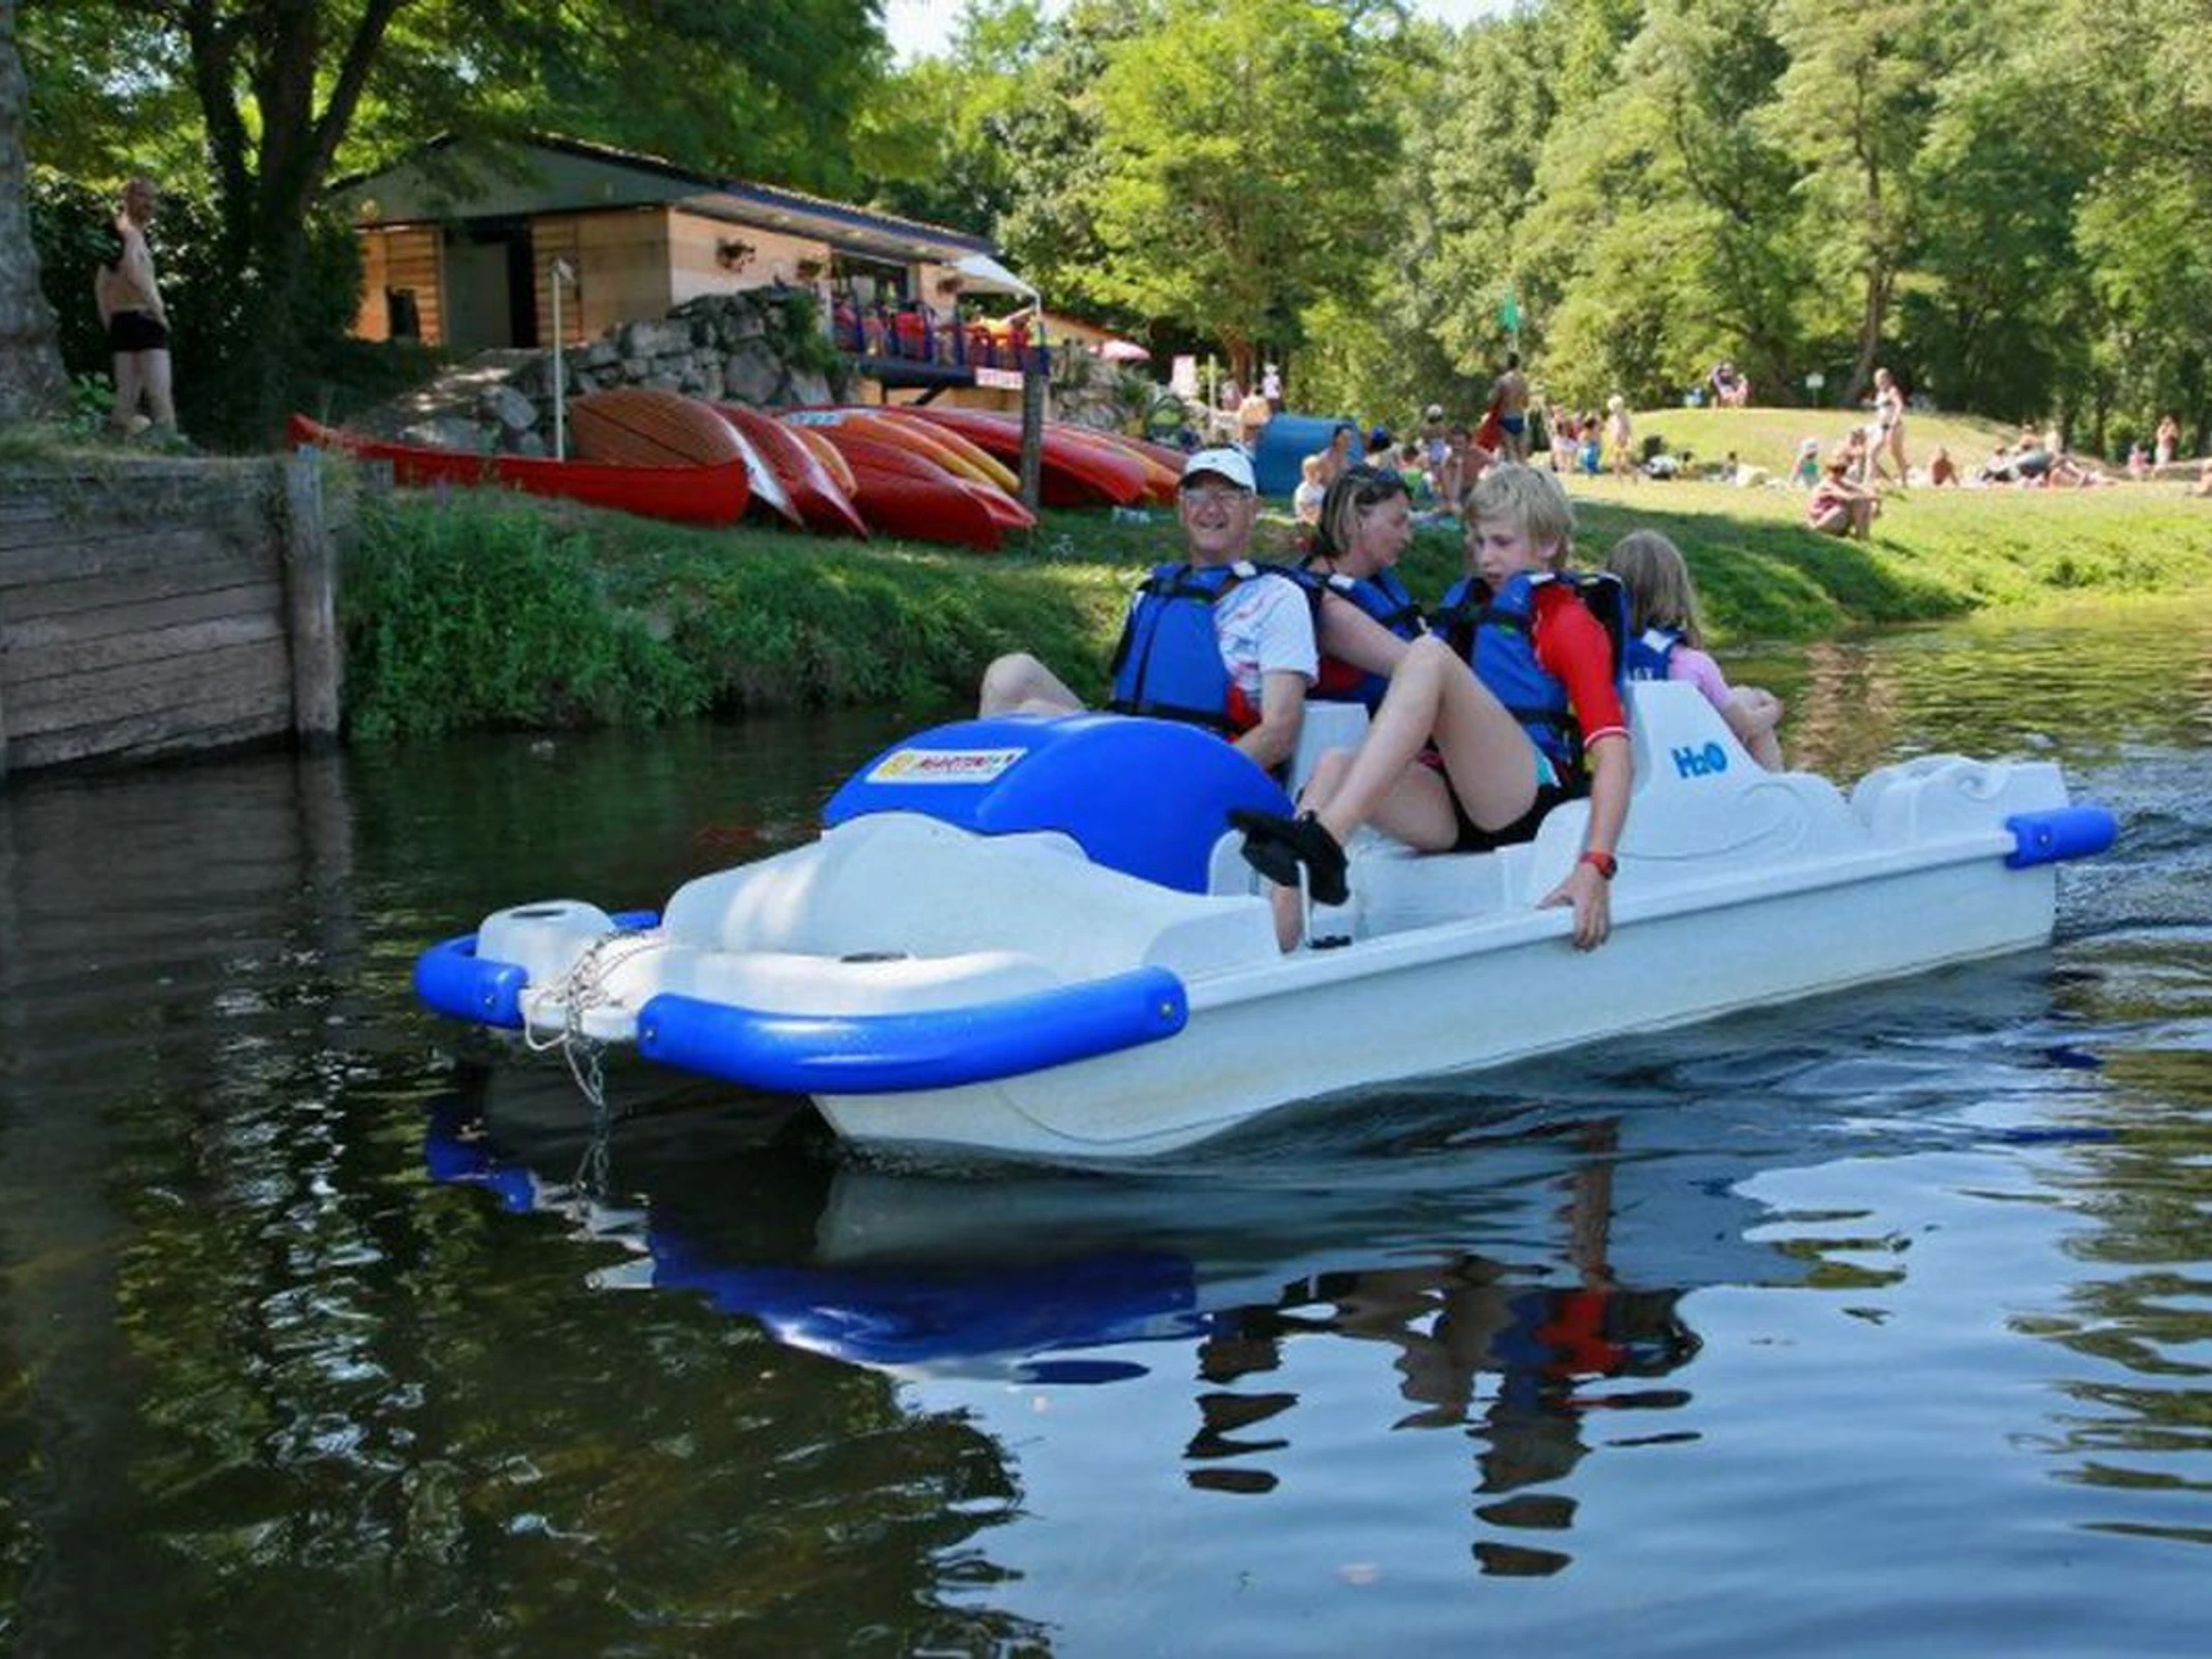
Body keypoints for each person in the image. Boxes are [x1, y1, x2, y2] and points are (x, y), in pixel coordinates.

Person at [1233, 465, 1630, 954]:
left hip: (1526, 799)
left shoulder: (1566, 619)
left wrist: (1596, 865)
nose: (1485, 557)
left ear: (1548, 543)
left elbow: (1613, 753)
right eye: (1478, 542)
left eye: (1501, 543)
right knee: (1334, 765)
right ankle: (1273, 948)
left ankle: (1326, 841)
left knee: (1428, 655)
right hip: (1454, 804)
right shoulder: (1469, 606)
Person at [978, 448, 1404, 776]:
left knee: (1034, 715)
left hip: (1196, 769)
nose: (1210, 508)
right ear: (1182, 509)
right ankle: (981, 826)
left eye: (1226, 496)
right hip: (1134, 751)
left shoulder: (1279, 598)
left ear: (1253, 509)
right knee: (1011, 672)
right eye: (1197, 495)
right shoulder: (1153, 589)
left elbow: (1279, 733)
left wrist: (1196, 782)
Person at [1606, 530, 1784, 770]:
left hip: (1631, 770)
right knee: (1754, 701)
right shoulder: (1692, 663)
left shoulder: (1603, 656)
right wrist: (1775, 709)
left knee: (1743, 694)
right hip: (1689, 768)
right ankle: (1773, 784)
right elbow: (1745, 725)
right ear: (1677, 592)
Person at [1300, 465, 1425, 714]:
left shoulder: (1377, 582)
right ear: (1356, 520)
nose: (1407, 537)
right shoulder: (1317, 602)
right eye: (1397, 523)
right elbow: (1423, 670)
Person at [93, 175, 176, 440]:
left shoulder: (116, 233)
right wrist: (159, 313)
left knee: (126, 397)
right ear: (126, 199)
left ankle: (116, 444)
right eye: (143, 196)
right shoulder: (131, 233)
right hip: (145, 319)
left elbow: (101, 285)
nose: (149, 203)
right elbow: (132, 272)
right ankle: (172, 448)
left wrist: (110, 322)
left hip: (122, 321)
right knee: (160, 395)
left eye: (153, 198)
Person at [1808, 445, 1878, 537]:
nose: (1838, 474)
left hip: (1834, 519)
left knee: (1863, 502)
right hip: (1821, 520)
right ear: (1827, 471)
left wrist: (1875, 500)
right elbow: (1846, 497)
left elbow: (1863, 490)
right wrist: (1868, 497)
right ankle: (1861, 535)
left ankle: (1863, 534)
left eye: (1842, 471)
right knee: (1855, 502)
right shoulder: (1827, 484)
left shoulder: (1841, 482)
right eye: (1835, 470)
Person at [1868, 368, 1908, 485]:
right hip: (1882, 428)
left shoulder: (1892, 391)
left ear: (1888, 379)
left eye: (1881, 379)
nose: (1878, 382)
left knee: (1896, 453)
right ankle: (1869, 480)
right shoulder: (1880, 394)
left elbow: (1899, 406)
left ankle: (1904, 480)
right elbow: (1881, 410)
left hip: (1893, 427)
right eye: (1876, 379)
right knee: (1872, 452)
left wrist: (1893, 423)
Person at [1491, 354, 1530, 462]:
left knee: (1510, 452)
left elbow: (1493, 400)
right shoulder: (1523, 380)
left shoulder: (1502, 381)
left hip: (1505, 417)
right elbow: (1526, 403)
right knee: (1522, 454)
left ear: (1506, 364)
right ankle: (1524, 470)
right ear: (1517, 363)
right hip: (1519, 417)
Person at [1292, 453, 1327, 527]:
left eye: (1316, 471)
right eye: (1310, 472)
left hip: (1318, 514)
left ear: (1321, 473)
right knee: (1306, 518)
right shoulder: (1303, 489)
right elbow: (1302, 505)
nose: (1313, 474)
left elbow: (1324, 504)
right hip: (1305, 514)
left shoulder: (1321, 489)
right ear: (1304, 473)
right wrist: (1313, 510)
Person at [1605, 396, 1635, 480]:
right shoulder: (1612, 418)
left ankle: (1633, 472)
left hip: (1624, 442)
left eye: (1615, 408)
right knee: (1615, 461)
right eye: (1612, 408)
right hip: (1616, 442)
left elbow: (1629, 430)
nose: (1613, 410)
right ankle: (1618, 477)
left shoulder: (1625, 417)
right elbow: (1611, 430)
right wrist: (1611, 441)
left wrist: (1630, 441)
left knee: (1625, 462)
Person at [1236, 384, 1273, 452]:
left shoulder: (1246, 401)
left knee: (1245, 448)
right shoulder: (1264, 402)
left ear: (1252, 392)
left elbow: (1240, 417)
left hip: (1248, 429)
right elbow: (1268, 417)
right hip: (1259, 429)